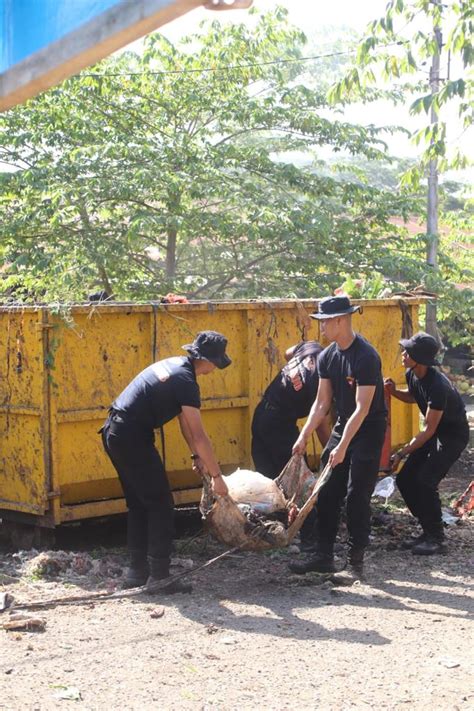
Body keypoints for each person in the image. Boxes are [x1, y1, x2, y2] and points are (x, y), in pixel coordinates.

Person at [101, 330, 231, 593]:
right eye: (215, 363)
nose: (215, 369)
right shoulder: (185, 380)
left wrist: (196, 457)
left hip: (115, 432)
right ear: (205, 359)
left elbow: (185, 424)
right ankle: (159, 576)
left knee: (140, 504)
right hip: (131, 436)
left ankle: (138, 572)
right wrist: (218, 478)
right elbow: (199, 433)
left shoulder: (177, 367)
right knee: (161, 504)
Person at [289, 295, 387, 583]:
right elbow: (321, 404)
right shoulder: (328, 356)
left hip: (368, 428)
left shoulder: (366, 356)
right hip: (344, 424)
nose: (320, 328)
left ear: (341, 321)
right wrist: (304, 435)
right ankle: (323, 556)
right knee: (327, 490)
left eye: (324, 322)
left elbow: (363, 407)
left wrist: (343, 446)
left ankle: (355, 563)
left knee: (357, 495)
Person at [385, 332, 469, 555]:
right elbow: (414, 396)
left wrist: (402, 453)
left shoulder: (438, 386)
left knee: (426, 481)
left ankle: (437, 539)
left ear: (420, 358)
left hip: (451, 437)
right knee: (404, 479)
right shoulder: (413, 373)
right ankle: (428, 529)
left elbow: (428, 429)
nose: (403, 354)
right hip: (435, 432)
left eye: (408, 352)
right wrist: (394, 392)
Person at [251, 340, 331, 550]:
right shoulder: (321, 381)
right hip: (280, 423)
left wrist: (295, 381)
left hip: (262, 414)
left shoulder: (311, 348)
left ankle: (270, 532)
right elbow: (322, 425)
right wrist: (332, 452)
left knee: (268, 479)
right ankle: (310, 539)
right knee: (298, 480)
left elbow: (287, 352)